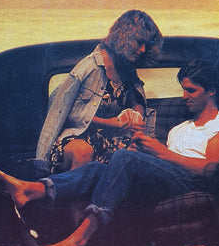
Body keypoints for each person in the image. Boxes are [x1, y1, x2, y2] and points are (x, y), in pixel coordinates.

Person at [0, 59, 219, 246]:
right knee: (100, 167)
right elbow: (163, 164)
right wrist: (144, 150)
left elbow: (210, 169)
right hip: (167, 180)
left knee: (123, 158)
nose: (184, 96)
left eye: (191, 90)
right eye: (183, 89)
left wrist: (160, 152)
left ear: (211, 91)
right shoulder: (180, 129)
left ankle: (79, 238)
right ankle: (32, 189)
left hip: (193, 183)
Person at [35, 10, 163, 173]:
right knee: (83, 152)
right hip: (75, 138)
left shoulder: (128, 69)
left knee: (142, 154)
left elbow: (136, 100)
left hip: (110, 140)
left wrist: (137, 117)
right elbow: (60, 113)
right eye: (139, 42)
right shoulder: (89, 67)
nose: (143, 50)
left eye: (147, 46)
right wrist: (41, 162)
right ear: (125, 35)